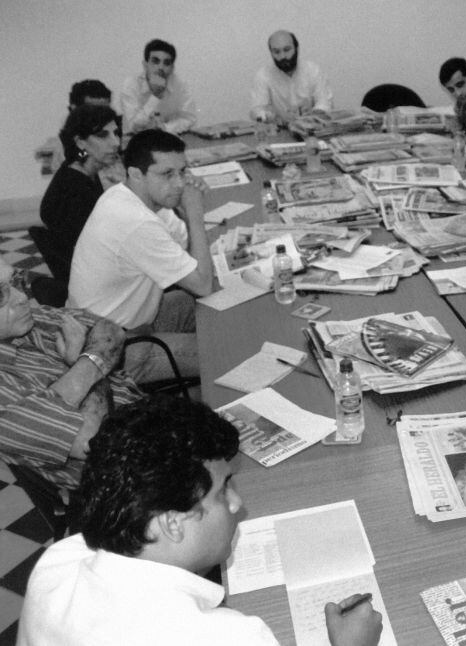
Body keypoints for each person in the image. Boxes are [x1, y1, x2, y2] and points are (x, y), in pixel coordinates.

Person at [17, 396, 383, 646]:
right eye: (223, 491)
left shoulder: (58, 561)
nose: (237, 503)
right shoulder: (226, 637)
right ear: (172, 523)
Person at [67, 129, 214, 382]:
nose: (179, 183)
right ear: (136, 174)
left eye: (183, 172)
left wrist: (185, 211)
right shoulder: (135, 221)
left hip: (133, 320)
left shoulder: (134, 197)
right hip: (115, 351)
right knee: (221, 354)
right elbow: (202, 284)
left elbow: (184, 249)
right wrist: (195, 215)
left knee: (220, 308)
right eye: (167, 174)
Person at [0, 259, 139, 489]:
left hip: (150, 423)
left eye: (16, 282)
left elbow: (110, 329)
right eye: (1, 296)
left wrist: (84, 366)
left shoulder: (31, 321)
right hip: (127, 483)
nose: (22, 298)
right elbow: (95, 441)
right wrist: (82, 361)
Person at [39, 104, 122, 274]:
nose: (116, 143)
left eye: (116, 133)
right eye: (102, 135)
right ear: (80, 142)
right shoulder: (75, 190)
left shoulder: (79, 168)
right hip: (94, 276)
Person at [251, 30, 334, 124]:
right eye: (276, 52)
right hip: (281, 132)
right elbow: (257, 110)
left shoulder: (313, 70)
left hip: (313, 128)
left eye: (287, 50)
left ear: (297, 49)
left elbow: (325, 102)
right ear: (271, 53)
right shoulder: (263, 75)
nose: (282, 56)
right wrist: (268, 116)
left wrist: (313, 114)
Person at [119, 39, 197, 135]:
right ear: (145, 65)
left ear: (172, 68)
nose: (161, 67)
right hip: (136, 141)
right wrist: (155, 96)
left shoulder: (179, 84)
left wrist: (165, 128)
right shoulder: (131, 85)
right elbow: (134, 126)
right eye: (155, 61)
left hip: (168, 137)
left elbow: (189, 118)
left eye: (166, 63)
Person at [35, 80, 114, 174]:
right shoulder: (54, 147)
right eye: (91, 109)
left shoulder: (115, 137)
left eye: (105, 110)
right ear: (74, 108)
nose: (100, 115)